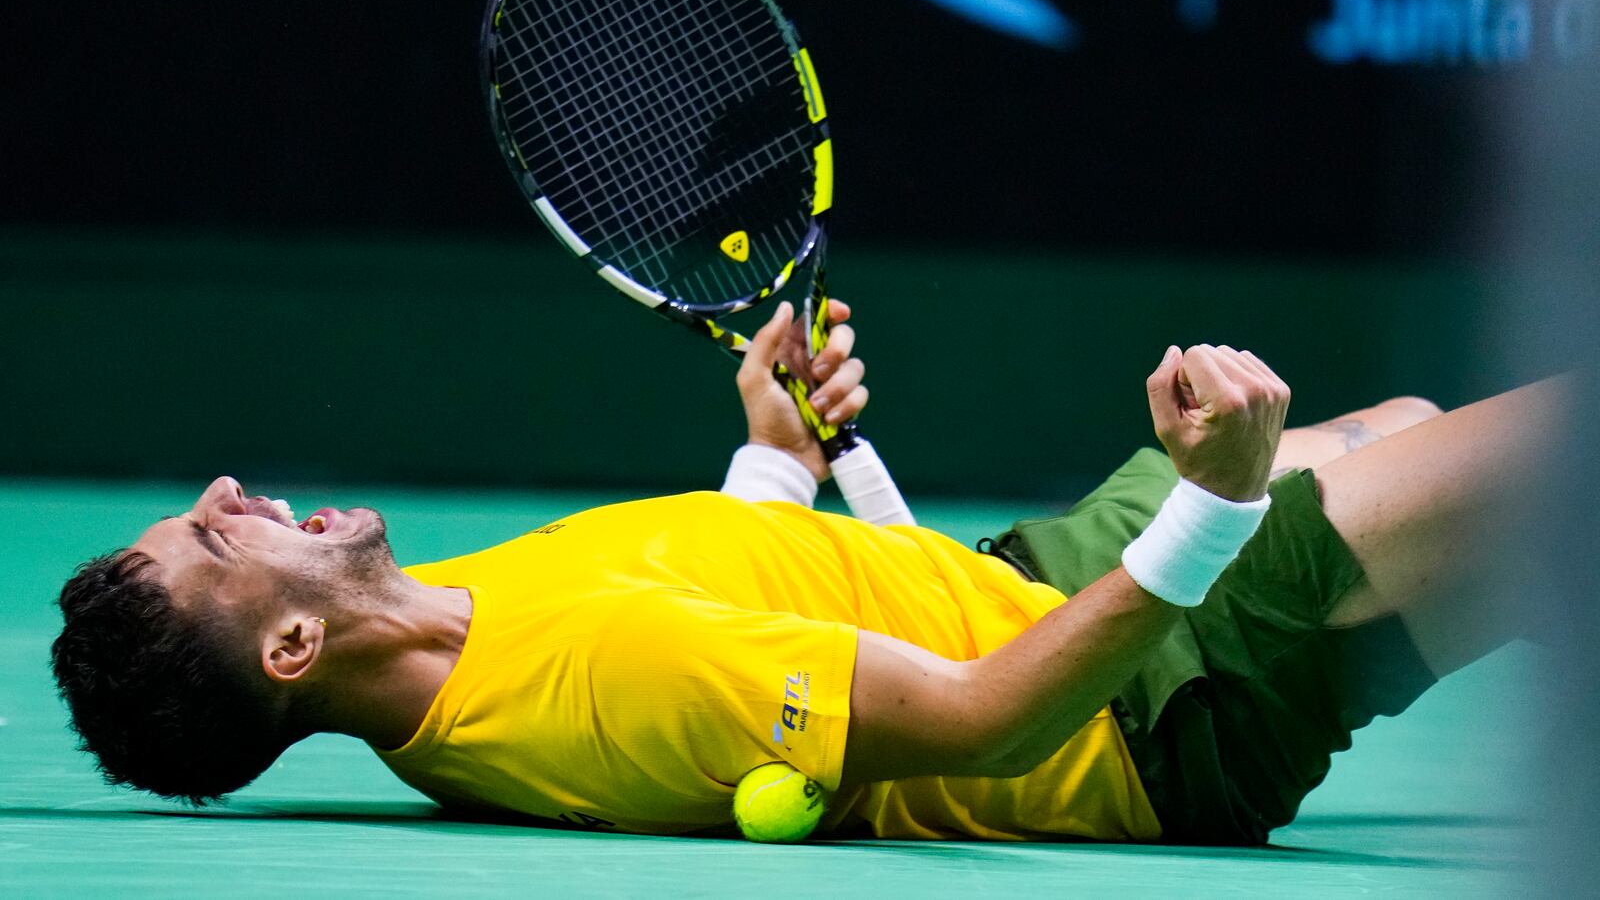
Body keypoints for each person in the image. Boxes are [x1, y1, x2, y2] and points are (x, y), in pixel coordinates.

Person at [50, 301, 1556, 844]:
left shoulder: (431, 612)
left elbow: (696, 596)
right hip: (1148, 698)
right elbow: (981, 727)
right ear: (292, 655)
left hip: (1028, 579)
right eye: (205, 539)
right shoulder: (569, 697)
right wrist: (1214, 515)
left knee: (1425, 441)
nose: (226, 495)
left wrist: (773, 459)